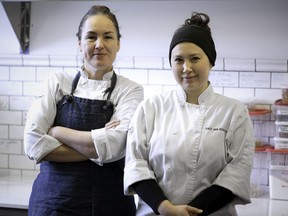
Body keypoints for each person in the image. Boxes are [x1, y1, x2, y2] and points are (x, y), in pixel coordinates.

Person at [124, 12, 255, 216]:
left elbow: (236, 174)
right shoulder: (150, 107)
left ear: (210, 61)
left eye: (195, 58)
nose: (187, 68)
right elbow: (136, 164)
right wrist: (165, 208)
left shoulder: (234, 112)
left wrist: (191, 213)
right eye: (178, 60)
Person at [24, 5, 143, 216]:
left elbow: (116, 146)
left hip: (111, 205)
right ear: (79, 43)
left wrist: (57, 132)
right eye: (91, 37)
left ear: (118, 43)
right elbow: (33, 145)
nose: (99, 45)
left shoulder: (130, 90)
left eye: (107, 37)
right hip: (53, 204)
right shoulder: (57, 82)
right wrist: (98, 146)